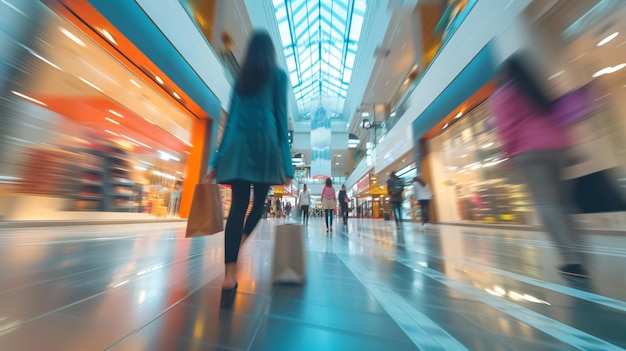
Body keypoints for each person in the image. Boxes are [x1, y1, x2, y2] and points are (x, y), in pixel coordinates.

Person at [207, 31, 293, 290]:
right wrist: (287, 165)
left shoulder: (240, 79)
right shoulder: (278, 76)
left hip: (238, 146)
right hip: (264, 147)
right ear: (270, 51)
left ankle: (229, 275)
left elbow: (230, 118)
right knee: (258, 208)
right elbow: (280, 118)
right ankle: (240, 243)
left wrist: (217, 158)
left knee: (237, 208)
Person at [490, 53, 586, 278]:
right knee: (564, 204)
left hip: (529, 152)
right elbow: (561, 118)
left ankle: (571, 259)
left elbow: (506, 128)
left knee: (546, 202)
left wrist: (507, 154)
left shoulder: (503, 94)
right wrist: (569, 148)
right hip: (558, 149)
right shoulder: (538, 89)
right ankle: (580, 254)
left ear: (506, 74)